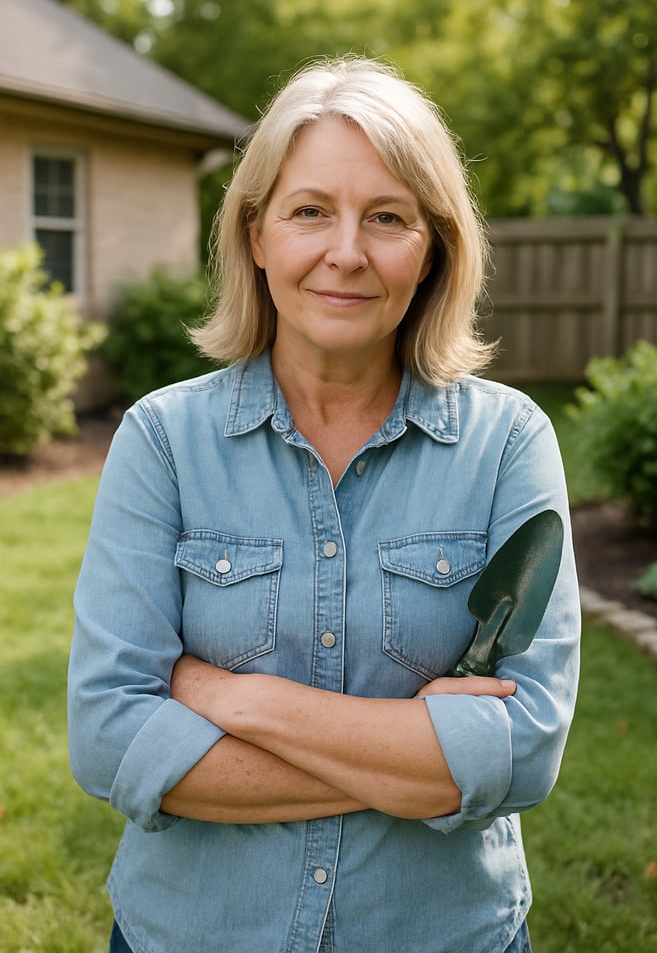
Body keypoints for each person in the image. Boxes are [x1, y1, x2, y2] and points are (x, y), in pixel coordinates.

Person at [68, 56, 580, 953]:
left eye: (387, 217)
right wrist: (423, 769)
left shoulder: (508, 443)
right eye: (311, 211)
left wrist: (235, 698)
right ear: (257, 233)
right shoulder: (163, 442)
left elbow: (525, 747)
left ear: (434, 249)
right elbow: (111, 738)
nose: (347, 250)